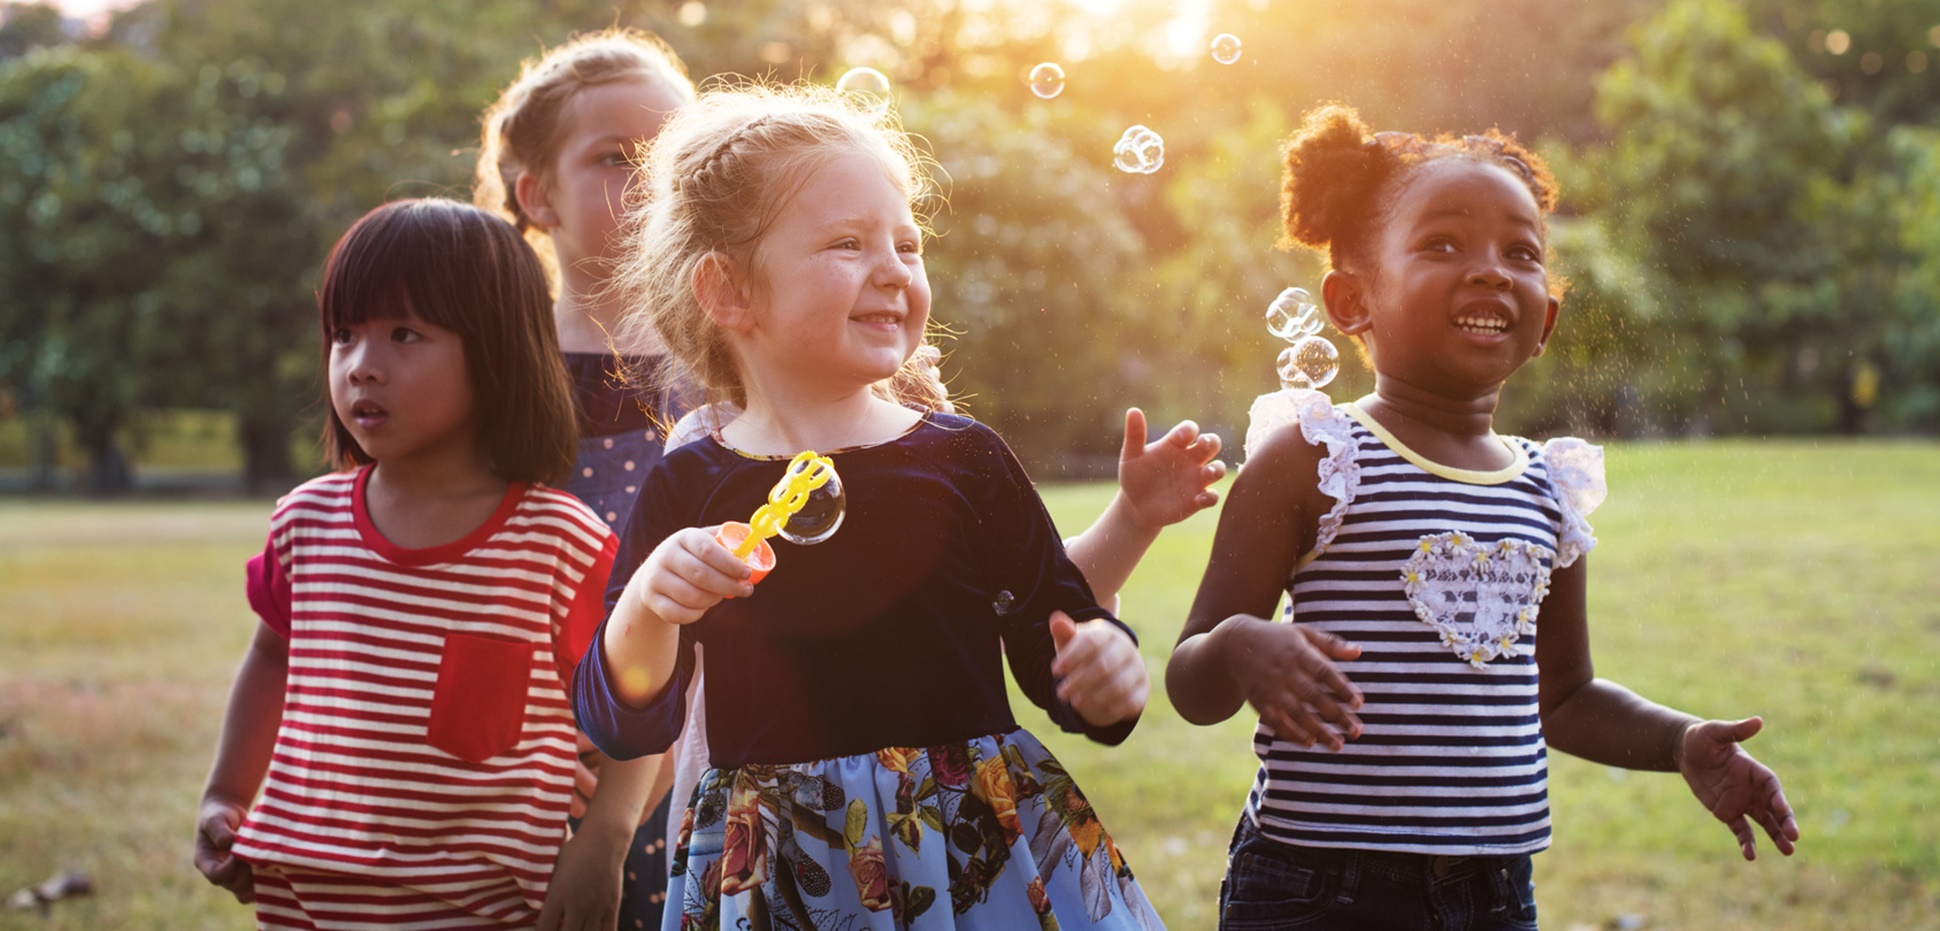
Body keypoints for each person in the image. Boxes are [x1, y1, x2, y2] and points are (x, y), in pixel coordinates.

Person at [477, 30, 1224, 929]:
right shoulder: (694, 481)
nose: (893, 270)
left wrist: (1102, 669)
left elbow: (1053, 639)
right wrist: (646, 608)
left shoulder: (963, 457)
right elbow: (623, 717)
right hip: (783, 866)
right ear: (729, 293)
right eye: (845, 243)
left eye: (907, 245)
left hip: (970, 849)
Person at [1164, 105, 1800, 930]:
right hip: (1317, 890)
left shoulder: (1551, 489)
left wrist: (1680, 742)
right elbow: (1190, 680)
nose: (1492, 271)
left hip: (1494, 893)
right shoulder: (1316, 457)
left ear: (1545, 321)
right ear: (1353, 299)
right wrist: (1238, 647)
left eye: (1521, 253)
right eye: (1443, 243)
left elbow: (1563, 696)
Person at [192, 199, 647, 929]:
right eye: (344, 336)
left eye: (405, 334)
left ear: (496, 350)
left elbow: (643, 705)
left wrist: (604, 838)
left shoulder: (558, 543)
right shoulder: (305, 523)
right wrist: (224, 793)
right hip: (308, 898)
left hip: (488, 907)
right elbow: (272, 658)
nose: (363, 366)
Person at [474, 29, 699, 927]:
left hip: (683, 768)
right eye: (614, 158)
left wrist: (610, 822)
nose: (652, 180)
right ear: (538, 196)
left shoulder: (729, 381)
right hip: (505, 766)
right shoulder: (479, 377)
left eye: (676, 154)